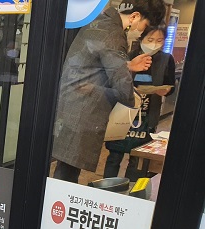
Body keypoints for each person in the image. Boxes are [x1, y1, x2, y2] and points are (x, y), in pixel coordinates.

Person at [52, 0, 166, 183]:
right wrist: (130, 91)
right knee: (67, 174)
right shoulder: (114, 34)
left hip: (72, 106)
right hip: (82, 111)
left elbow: (97, 65)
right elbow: (123, 90)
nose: (141, 32)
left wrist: (127, 65)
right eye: (144, 26)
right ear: (135, 16)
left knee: (65, 168)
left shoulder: (100, 22)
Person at [104, 26, 176, 180]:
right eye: (150, 40)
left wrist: (165, 91)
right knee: (114, 156)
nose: (154, 44)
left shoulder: (166, 59)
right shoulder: (130, 56)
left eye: (159, 40)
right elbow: (116, 81)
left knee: (138, 158)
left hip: (149, 113)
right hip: (125, 113)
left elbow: (171, 86)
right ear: (142, 38)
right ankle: (106, 189)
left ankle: (131, 194)